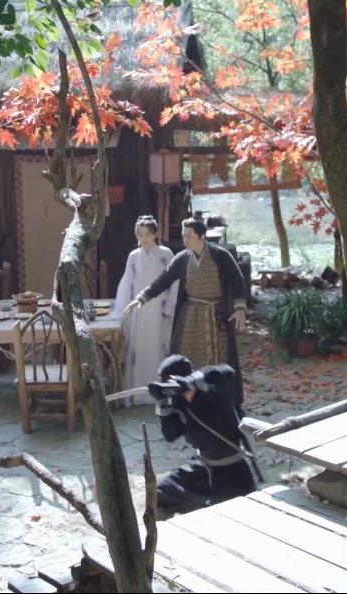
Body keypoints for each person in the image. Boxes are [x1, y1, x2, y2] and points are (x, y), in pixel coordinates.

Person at [124, 218, 248, 404]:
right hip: (190, 316)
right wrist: (142, 297)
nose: (184, 240)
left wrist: (239, 309)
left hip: (216, 315)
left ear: (202, 236)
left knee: (221, 357)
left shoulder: (220, 256)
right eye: (183, 236)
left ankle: (220, 400)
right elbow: (164, 279)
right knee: (187, 356)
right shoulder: (182, 258)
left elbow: (237, 280)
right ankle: (189, 400)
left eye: (188, 236)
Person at [151, 354, 258, 514]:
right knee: (159, 490)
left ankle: (207, 504)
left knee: (227, 512)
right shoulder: (180, 403)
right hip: (202, 466)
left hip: (232, 471)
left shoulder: (215, 395)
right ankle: (203, 503)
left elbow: (227, 371)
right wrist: (161, 402)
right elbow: (170, 435)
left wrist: (192, 380)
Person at [113, 215, 177, 406]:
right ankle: (138, 394)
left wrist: (169, 307)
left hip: (159, 307)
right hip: (139, 308)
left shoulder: (166, 254)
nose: (144, 238)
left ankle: (159, 393)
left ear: (155, 234)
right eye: (140, 234)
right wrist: (125, 308)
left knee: (159, 347)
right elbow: (127, 283)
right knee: (138, 349)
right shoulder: (133, 256)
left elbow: (174, 282)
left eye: (148, 234)